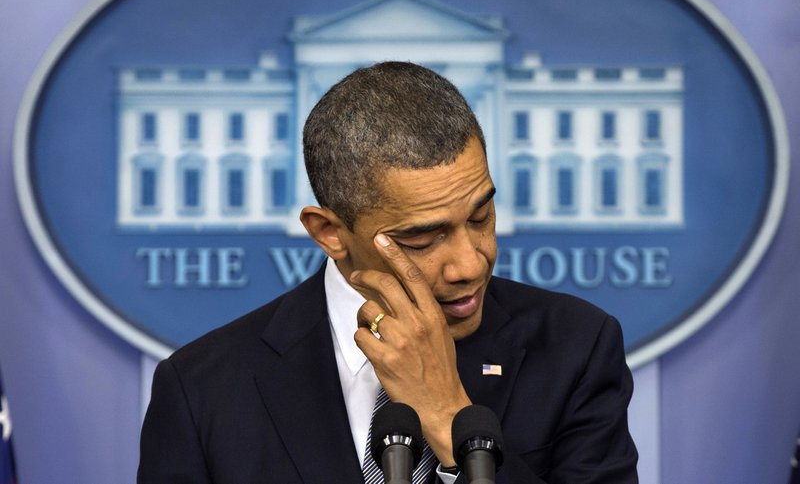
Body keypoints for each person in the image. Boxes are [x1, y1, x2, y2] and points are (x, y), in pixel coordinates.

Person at [138, 61, 638, 483]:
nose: (471, 263)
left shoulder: (577, 347)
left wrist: (448, 416)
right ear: (329, 232)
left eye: (481, 217)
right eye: (421, 239)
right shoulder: (202, 391)